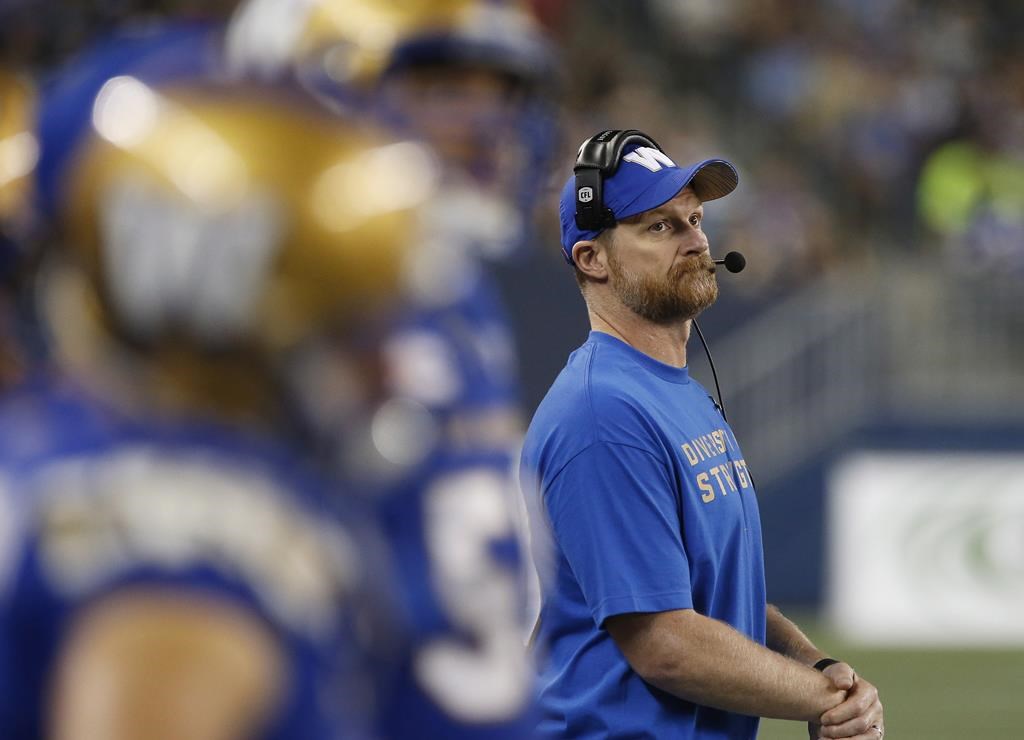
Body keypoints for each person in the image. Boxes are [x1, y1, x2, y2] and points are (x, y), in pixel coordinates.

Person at [0, 30, 439, 738]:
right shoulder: (195, 531)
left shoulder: (64, 445)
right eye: (348, 327)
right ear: (243, 315)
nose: (391, 366)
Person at [224, 2, 559, 737]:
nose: (486, 121)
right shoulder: (287, 306)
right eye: (444, 88)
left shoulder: (451, 286)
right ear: (321, 92)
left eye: (497, 93)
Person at [519, 130, 885, 740]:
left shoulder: (676, 393)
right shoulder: (603, 412)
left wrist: (818, 666)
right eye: (659, 227)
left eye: (694, 219)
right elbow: (665, 643)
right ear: (593, 259)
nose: (695, 240)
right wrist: (823, 700)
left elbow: (712, 596)